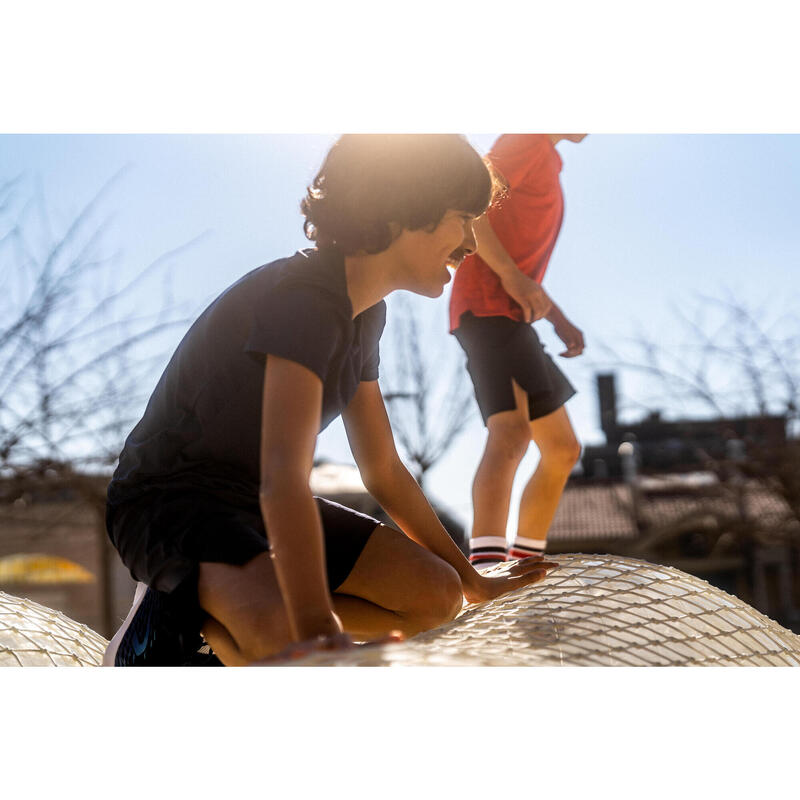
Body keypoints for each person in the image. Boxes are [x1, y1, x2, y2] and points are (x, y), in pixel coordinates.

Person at [103, 134, 558, 667]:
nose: (471, 244)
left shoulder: (365, 313)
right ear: (400, 212)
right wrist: (316, 627)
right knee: (287, 638)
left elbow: (383, 467)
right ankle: (176, 626)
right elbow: (284, 478)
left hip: (252, 502)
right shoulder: (304, 301)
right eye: (462, 217)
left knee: (436, 596)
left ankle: (204, 615)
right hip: (170, 500)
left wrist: (470, 580)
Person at [449, 134, 587, 570]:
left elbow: (522, 272)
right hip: (487, 306)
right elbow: (471, 209)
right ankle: (488, 568)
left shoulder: (548, 156)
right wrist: (510, 277)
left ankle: (527, 564)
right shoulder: (527, 137)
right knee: (511, 434)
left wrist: (557, 317)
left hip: (512, 312)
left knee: (562, 449)